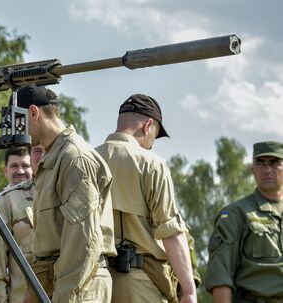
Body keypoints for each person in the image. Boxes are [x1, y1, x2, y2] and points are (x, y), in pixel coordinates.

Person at [16, 85, 115, 302]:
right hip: (54, 281)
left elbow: (83, 243)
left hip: (77, 285)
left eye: (17, 120)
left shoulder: (74, 159)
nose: (15, 130)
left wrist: (65, 296)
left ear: (33, 113)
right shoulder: (54, 157)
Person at [95, 94, 196, 303]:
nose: (152, 144)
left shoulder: (88, 160)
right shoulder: (152, 164)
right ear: (148, 125)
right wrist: (189, 290)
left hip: (95, 284)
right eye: (155, 135)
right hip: (140, 283)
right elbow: (171, 233)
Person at [205, 141, 283, 302]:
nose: (267, 170)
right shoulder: (236, 214)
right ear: (252, 170)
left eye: (275, 163)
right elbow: (221, 275)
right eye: (260, 163)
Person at [0, 144, 44, 303]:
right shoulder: (0, 202)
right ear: (5, 170)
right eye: (14, 166)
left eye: (25, 166)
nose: (20, 171)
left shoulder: (63, 191)